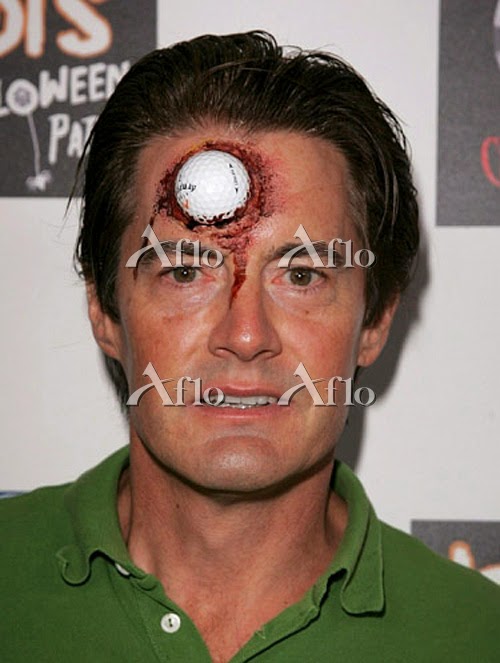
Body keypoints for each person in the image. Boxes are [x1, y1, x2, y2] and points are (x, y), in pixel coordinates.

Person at [1, 31, 499, 663]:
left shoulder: (478, 637)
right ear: (104, 311)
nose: (244, 336)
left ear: (375, 320)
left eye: (302, 275)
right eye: (185, 271)